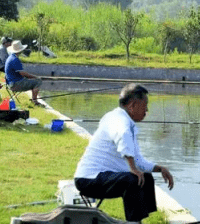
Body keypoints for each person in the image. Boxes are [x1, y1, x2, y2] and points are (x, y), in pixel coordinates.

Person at [74, 84, 174, 223]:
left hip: (103, 176)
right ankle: (133, 222)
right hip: (89, 179)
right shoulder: (118, 120)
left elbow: (138, 160)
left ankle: (140, 220)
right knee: (133, 180)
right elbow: (123, 135)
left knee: (146, 177)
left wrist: (159, 168)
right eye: (145, 105)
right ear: (133, 105)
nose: (147, 110)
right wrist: (132, 168)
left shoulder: (125, 122)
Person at [4, 40, 43, 105]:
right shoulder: (15, 60)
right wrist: (35, 77)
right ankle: (35, 101)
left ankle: (34, 100)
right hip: (15, 84)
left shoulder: (10, 57)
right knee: (38, 81)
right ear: (20, 50)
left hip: (10, 83)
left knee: (32, 81)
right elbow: (23, 74)